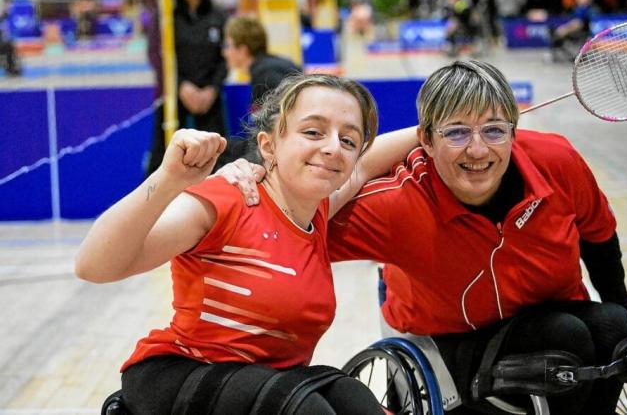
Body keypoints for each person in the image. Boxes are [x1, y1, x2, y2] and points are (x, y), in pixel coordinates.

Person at [221, 60, 627, 415]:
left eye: (493, 129)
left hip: (552, 315)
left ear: (512, 133)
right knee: (568, 339)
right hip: (449, 344)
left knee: (615, 327)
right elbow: (292, 221)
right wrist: (257, 178)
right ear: (425, 140)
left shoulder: (557, 160)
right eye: (456, 132)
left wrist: (623, 303)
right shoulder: (395, 203)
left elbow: (598, 233)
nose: (478, 150)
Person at [75, 74, 418, 414]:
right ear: (269, 145)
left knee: (352, 397)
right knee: (306, 409)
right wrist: (168, 180)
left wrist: (436, 132)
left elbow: (363, 168)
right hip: (182, 375)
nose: (332, 147)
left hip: (271, 385)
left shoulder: (318, 210)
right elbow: (93, 266)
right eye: (313, 132)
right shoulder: (230, 199)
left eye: (348, 140)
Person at [146, 0, 233, 176]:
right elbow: (157, 56)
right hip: (173, 98)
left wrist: (212, 89)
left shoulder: (219, 16)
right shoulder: (166, 16)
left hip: (209, 98)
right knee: (162, 156)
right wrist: (180, 86)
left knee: (219, 153)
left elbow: (226, 57)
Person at [223, 15, 302, 111]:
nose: (224, 52)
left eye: (227, 46)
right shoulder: (273, 64)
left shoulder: (264, 74)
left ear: (243, 50)